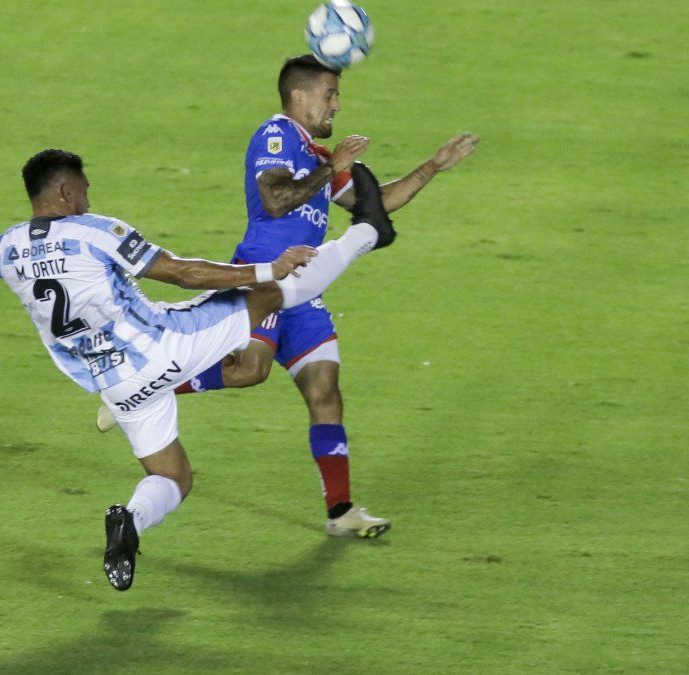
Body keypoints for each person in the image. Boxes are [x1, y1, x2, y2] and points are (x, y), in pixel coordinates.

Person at [0, 148, 395, 590]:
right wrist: (269, 267)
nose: (89, 198)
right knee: (267, 293)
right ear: (66, 191)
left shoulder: (4, 247)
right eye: (85, 189)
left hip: (115, 384)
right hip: (163, 347)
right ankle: (369, 231)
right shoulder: (94, 230)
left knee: (174, 477)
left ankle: (130, 524)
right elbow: (182, 272)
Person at [97, 54, 479, 539]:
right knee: (249, 370)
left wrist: (433, 167)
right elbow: (276, 199)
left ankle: (341, 511)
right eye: (329, 95)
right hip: (264, 281)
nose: (336, 105)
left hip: (305, 287)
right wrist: (333, 167)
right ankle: (139, 390)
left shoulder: (317, 157)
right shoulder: (275, 136)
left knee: (325, 390)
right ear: (299, 96)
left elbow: (376, 206)